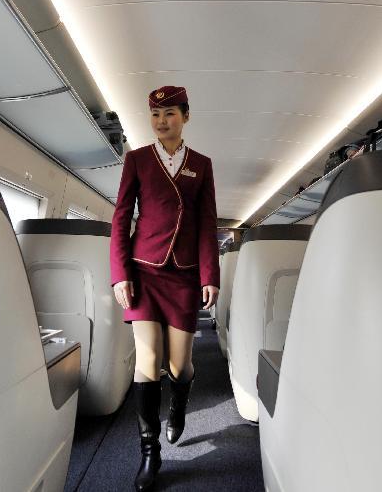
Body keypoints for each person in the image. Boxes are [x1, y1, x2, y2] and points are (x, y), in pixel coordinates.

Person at [110, 85, 220, 491]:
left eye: (170, 114)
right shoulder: (137, 160)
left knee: (179, 365)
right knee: (148, 358)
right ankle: (150, 452)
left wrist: (211, 275)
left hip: (186, 273)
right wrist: (120, 273)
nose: (161, 122)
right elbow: (122, 217)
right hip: (144, 270)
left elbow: (208, 223)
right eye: (155, 115)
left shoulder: (202, 165)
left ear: (185, 116)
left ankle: (178, 405)